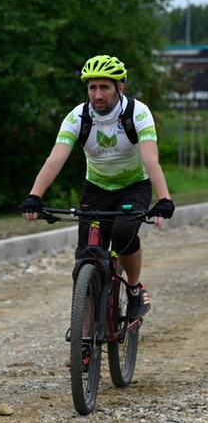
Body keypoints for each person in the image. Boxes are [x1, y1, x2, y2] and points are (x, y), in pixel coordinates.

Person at [19, 54, 175, 319]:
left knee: (124, 234)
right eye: (92, 87)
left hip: (133, 186)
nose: (98, 94)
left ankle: (135, 289)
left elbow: (151, 160)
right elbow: (55, 159)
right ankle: (85, 342)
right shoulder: (77, 118)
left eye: (104, 87)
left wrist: (164, 199)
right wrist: (35, 196)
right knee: (85, 260)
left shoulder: (138, 113)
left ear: (120, 87)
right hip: (96, 188)